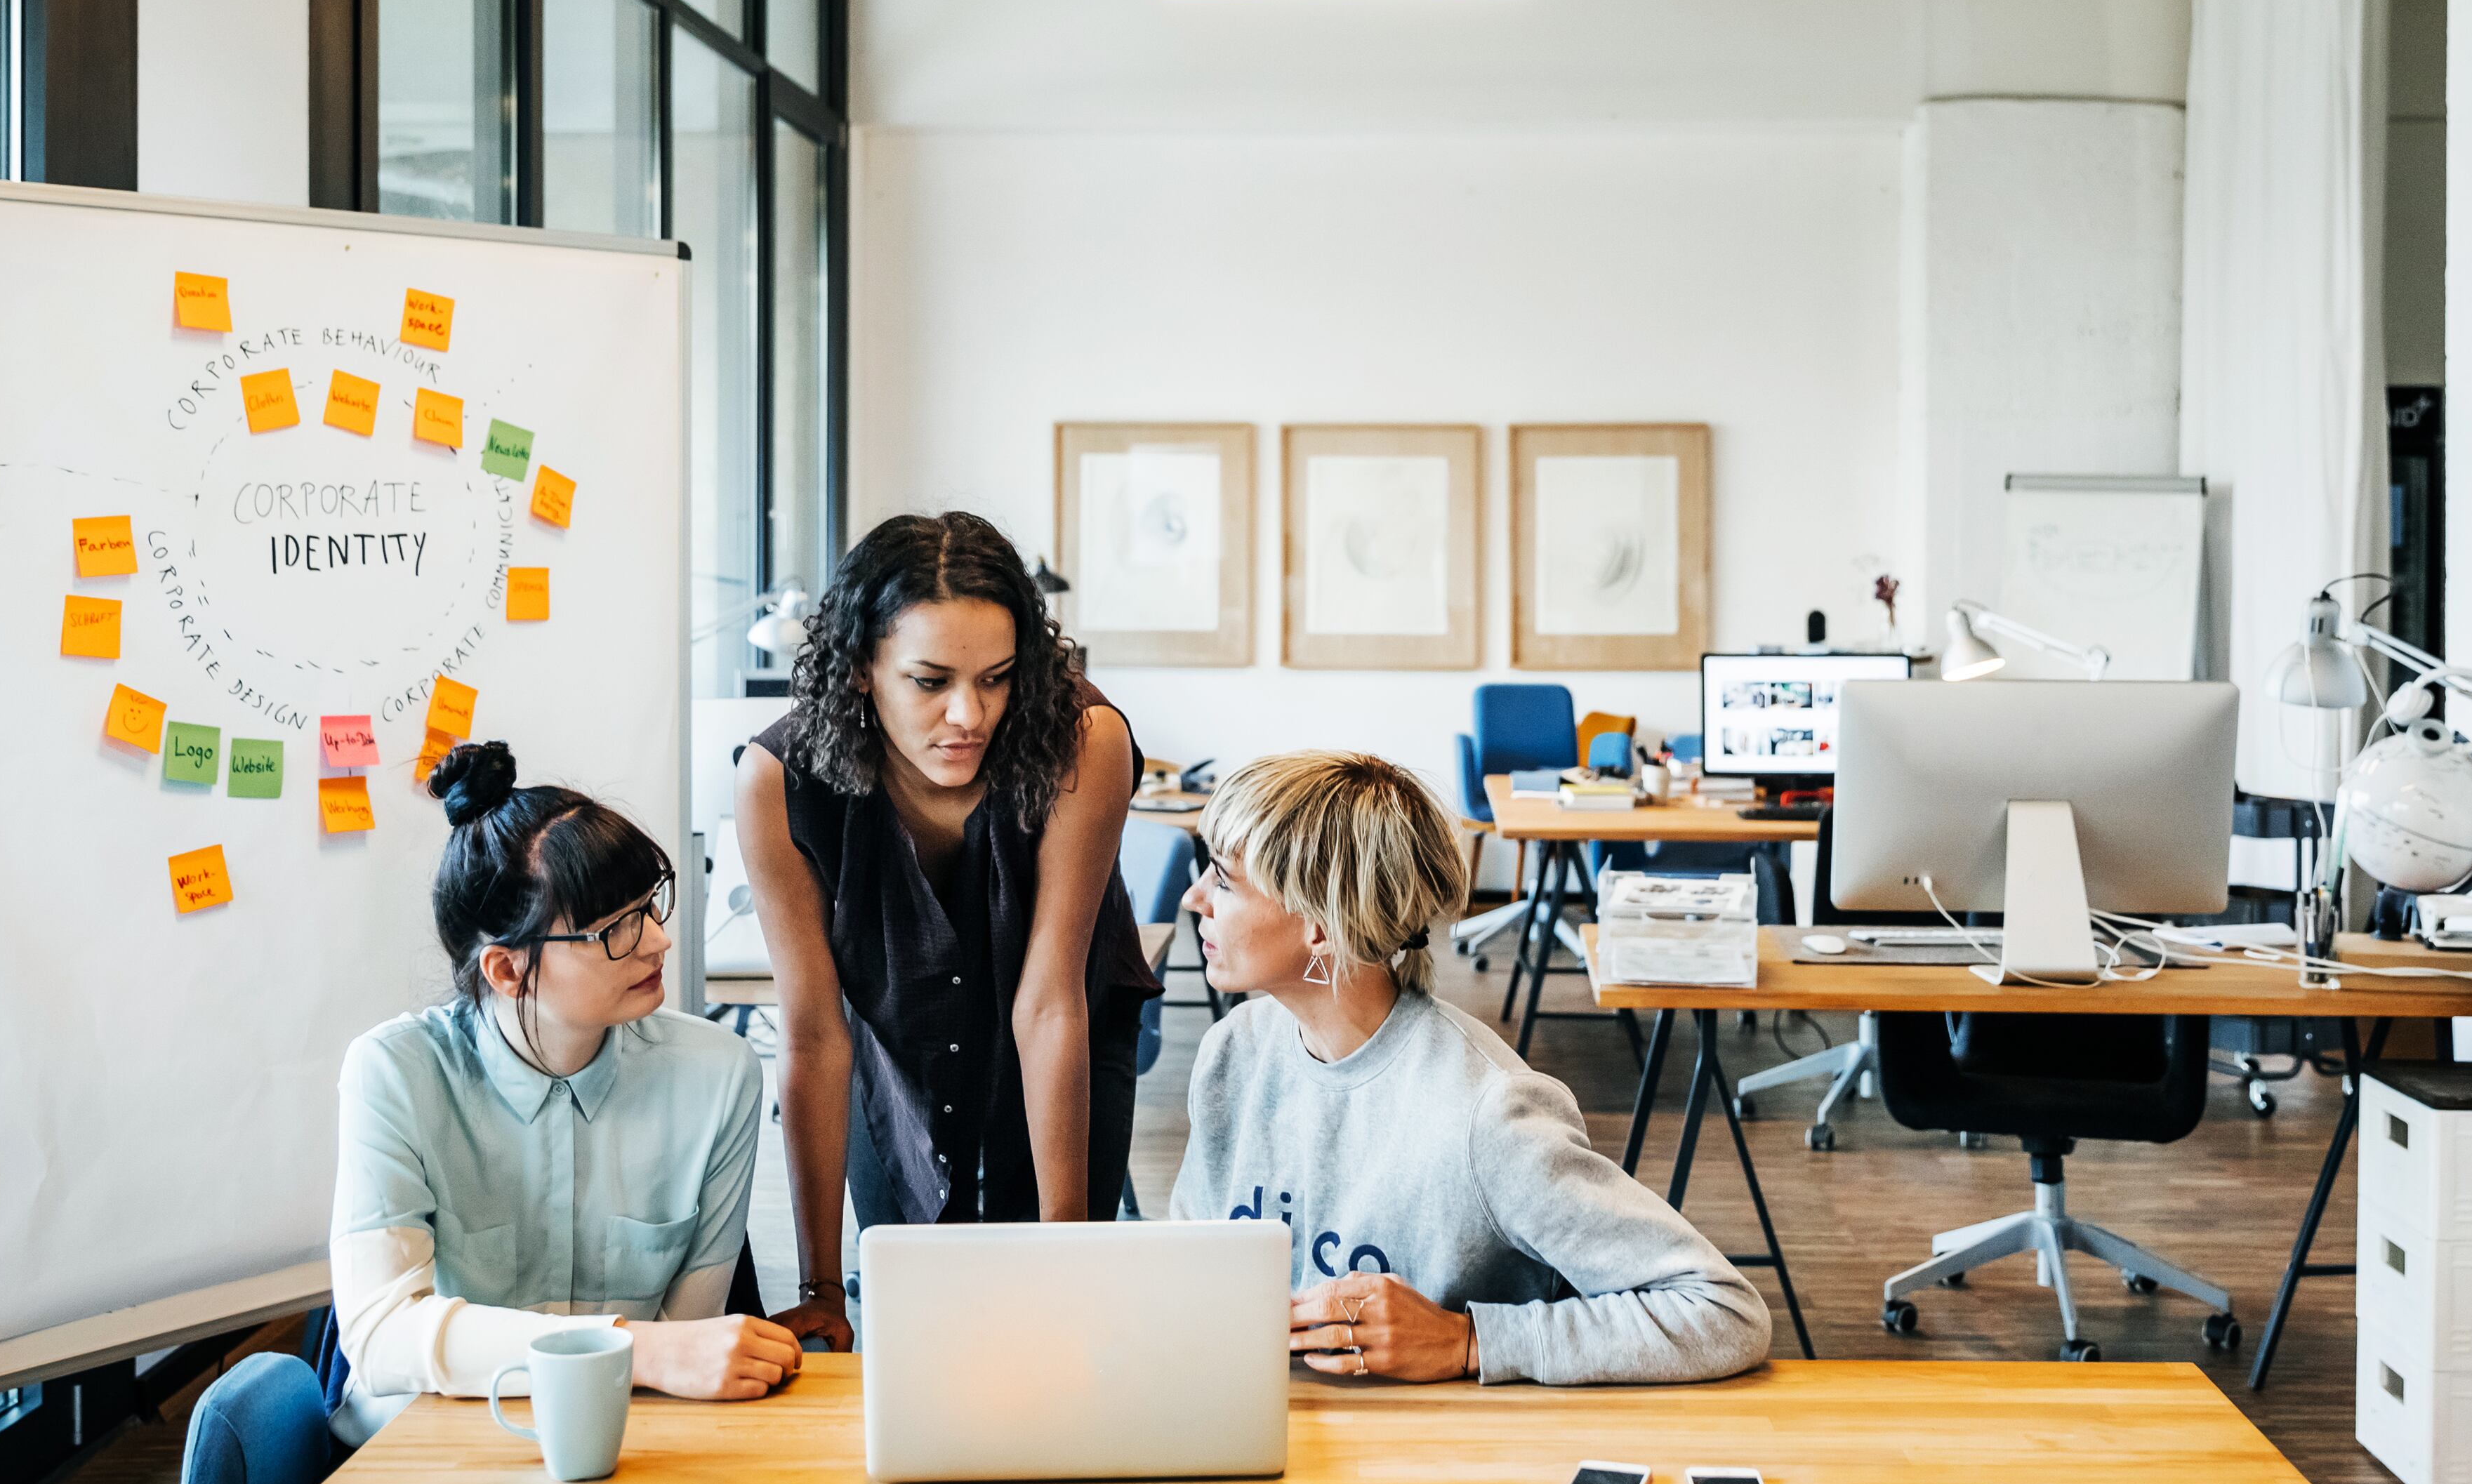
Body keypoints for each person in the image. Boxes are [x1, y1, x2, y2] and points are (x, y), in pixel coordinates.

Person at [1169, 750, 1769, 1386]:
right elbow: (1184, 1266)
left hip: (1440, 1458)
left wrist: (1467, 1340)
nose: (1193, 897)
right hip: (1261, 1420)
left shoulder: (1490, 1113)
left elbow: (1723, 1312)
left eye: (1224, 880)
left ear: (1320, 926)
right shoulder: (1232, 1052)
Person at [736, 512, 1158, 1350]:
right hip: (889, 1044)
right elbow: (815, 1037)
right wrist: (820, 1291)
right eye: (929, 682)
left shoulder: (1082, 741)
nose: (969, 715)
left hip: (1063, 1024)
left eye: (996, 678)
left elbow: (1049, 1004)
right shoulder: (778, 781)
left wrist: (1065, 1252)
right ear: (862, 669)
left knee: (1046, 1327)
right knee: (913, 1308)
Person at [326, 741, 804, 1442]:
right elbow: (382, 1338)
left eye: (650, 904)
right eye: (615, 928)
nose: (658, 942)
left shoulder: (717, 1075)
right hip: (425, 1447)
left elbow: (693, 1346)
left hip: (627, 1441)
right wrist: (634, 1347)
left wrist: (655, 1356)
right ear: (506, 969)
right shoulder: (393, 1073)